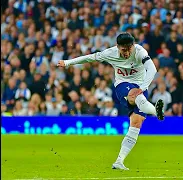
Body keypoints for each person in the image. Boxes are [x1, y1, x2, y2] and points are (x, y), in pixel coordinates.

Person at [57, 32, 165, 170]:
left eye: (129, 48)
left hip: (141, 87)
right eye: (124, 49)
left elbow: (152, 69)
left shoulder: (139, 51)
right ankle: (156, 111)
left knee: (136, 123)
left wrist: (143, 87)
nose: (127, 52)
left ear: (133, 46)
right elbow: (90, 58)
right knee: (133, 95)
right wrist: (68, 62)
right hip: (122, 85)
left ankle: (119, 161)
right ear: (117, 47)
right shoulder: (110, 53)